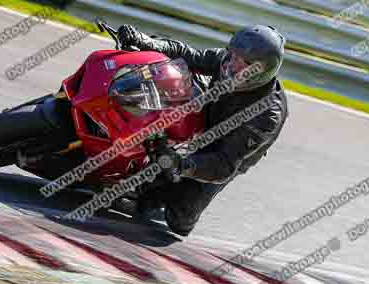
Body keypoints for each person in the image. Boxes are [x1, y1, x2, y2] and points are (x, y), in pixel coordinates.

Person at [114, 24, 289, 235]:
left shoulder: (267, 115)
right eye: (232, 55)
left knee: (179, 217)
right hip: (208, 114)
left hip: (227, 152)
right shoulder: (225, 61)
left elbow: (224, 164)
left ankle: (168, 197)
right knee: (171, 80)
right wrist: (146, 41)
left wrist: (182, 165)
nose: (231, 66)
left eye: (243, 63)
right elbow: (188, 54)